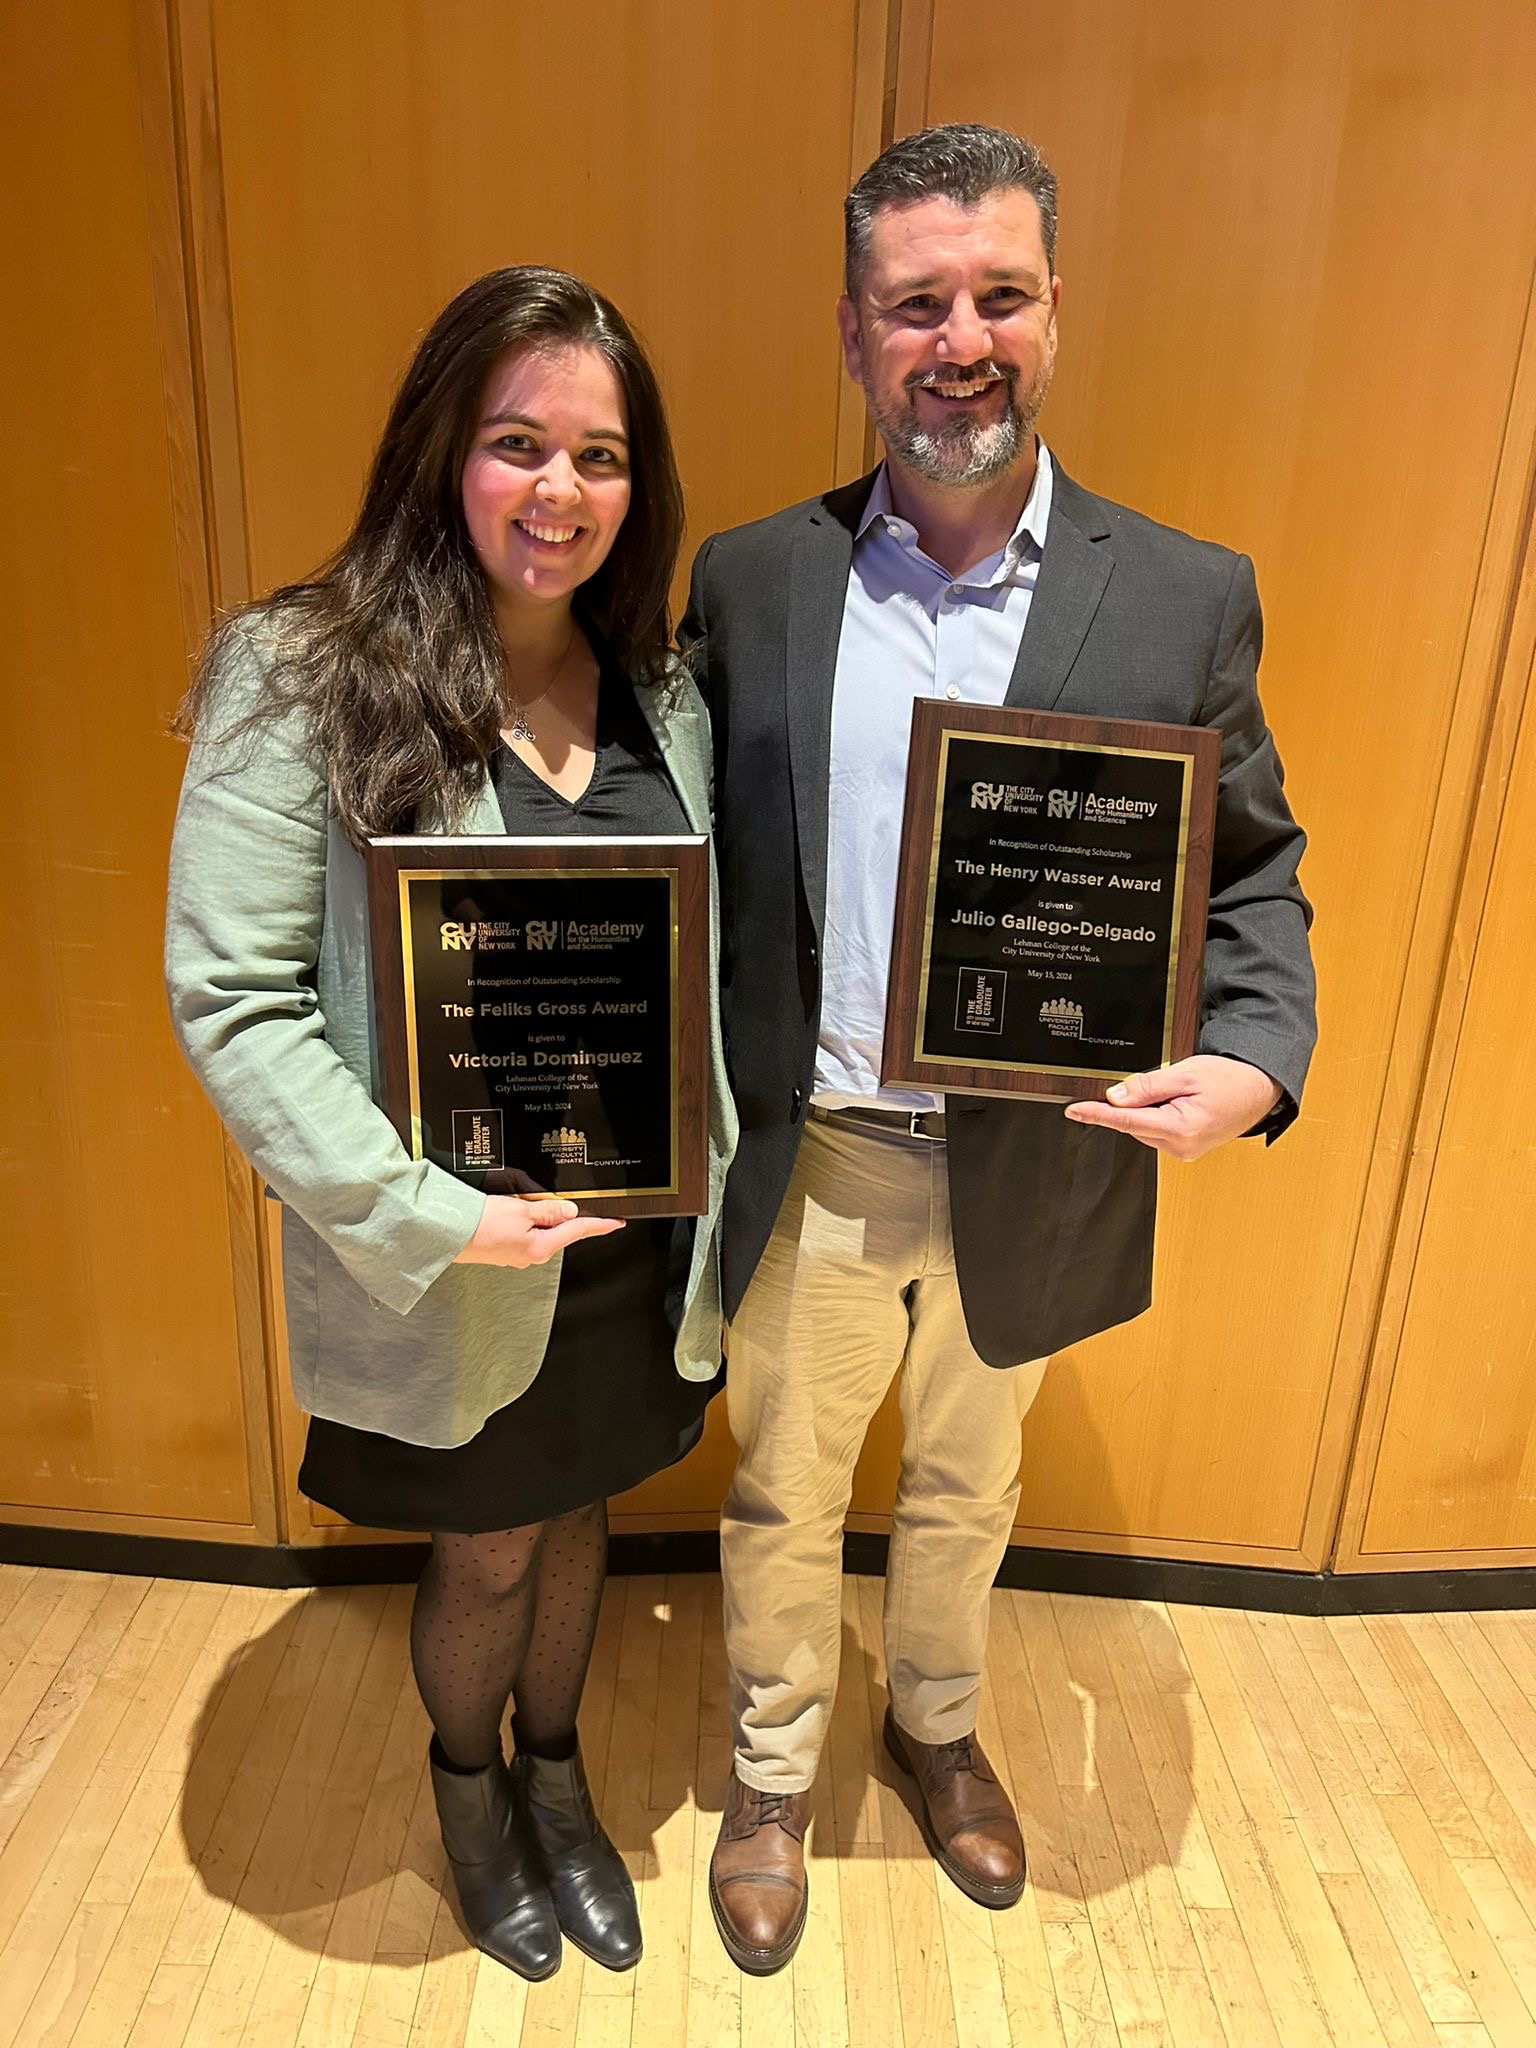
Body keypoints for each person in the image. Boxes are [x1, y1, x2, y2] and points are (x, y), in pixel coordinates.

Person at [682, 124, 1316, 1974]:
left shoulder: (1185, 592)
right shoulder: (750, 582)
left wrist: (1256, 1059)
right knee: (786, 1484)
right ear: (855, 332)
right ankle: (774, 1769)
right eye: (915, 304)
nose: (961, 339)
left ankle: (939, 1726)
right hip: (821, 1153)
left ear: (1056, 310)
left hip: (1043, 1154)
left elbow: (1252, 867)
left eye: (1000, 296)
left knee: (971, 1483)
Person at [165, 268, 735, 1982]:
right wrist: (429, 1213)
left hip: (632, 1232)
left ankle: (560, 1777)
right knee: (489, 1536)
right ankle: (470, 1789)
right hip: (454, 1239)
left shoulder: (662, 691)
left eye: (600, 455)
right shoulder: (300, 670)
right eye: (517, 443)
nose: (560, 491)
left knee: (585, 1510)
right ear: (442, 451)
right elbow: (236, 1002)